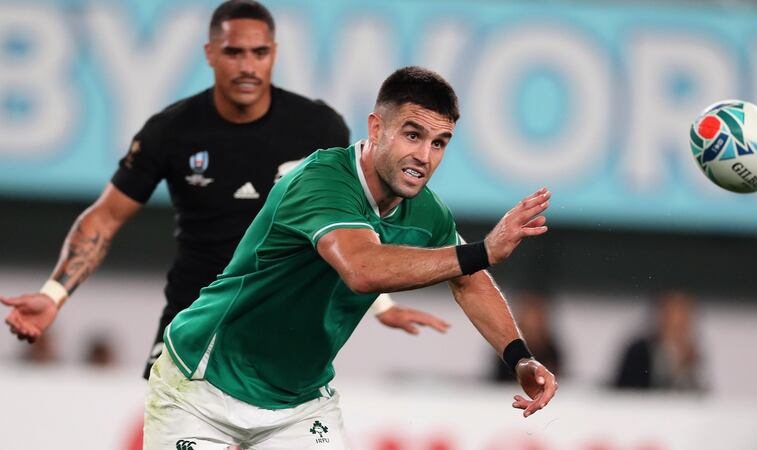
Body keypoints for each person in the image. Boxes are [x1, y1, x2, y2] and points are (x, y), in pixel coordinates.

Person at [0, 0, 448, 378]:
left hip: (279, 330)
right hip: (191, 322)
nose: (248, 66)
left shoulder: (317, 126)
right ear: (210, 53)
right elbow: (105, 216)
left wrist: (381, 303)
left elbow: (350, 224)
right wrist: (55, 293)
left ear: (274, 53)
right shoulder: (171, 130)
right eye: (234, 52)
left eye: (259, 52)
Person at [144, 66, 558, 449]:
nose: (425, 156)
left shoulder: (426, 212)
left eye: (439, 143)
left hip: (299, 404)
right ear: (376, 128)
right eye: (412, 135)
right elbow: (363, 268)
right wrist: (484, 250)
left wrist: (519, 356)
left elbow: (469, 280)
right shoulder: (321, 181)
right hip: (203, 385)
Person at [613, 290, 706, 391]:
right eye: (673, 313)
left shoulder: (692, 356)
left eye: (685, 314)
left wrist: (687, 370)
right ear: (661, 315)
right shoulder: (639, 351)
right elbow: (627, 392)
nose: (679, 321)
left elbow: (697, 397)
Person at [492, 290, 563, 382]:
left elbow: (557, 377)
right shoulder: (509, 346)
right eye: (530, 314)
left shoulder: (551, 349)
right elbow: (500, 380)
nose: (532, 321)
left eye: (536, 314)